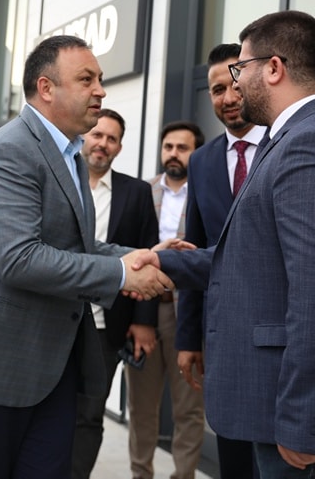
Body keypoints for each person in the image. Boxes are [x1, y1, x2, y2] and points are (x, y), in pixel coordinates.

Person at [140, 10, 315, 477]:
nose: (235, 84)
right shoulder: (295, 138)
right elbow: (257, 261)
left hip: (313, 427)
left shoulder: (313, 143)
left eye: (240, 69)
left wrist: (303, 420)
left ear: (273, 68)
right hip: (283, 403)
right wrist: (165, 264)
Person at [0, 34, 172, 479]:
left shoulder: (70, 154)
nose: (101, 90)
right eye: (87, 79)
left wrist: (146, 257)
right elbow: (19, 259)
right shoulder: (9, 149)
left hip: (50, 367)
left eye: (100, 79)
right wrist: (119, 275)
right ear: (46, 87)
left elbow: (77, 245)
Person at [177, 43, 267, 477]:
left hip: (278, 335)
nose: (228, 98)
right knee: (234, 458)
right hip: (223, 337)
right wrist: (188, 338)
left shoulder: (286, 144)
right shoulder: (201, 161)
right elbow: (195, 250)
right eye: (216, 90)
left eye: (234, 85)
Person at [72, 109, 159, 479]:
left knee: (90, 413)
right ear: (84, 138)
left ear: (120, 147)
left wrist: (144, 322)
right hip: (57, 316)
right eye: (97, 135)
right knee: (49, 407)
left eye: (111, 139)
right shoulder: (61, 179)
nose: (102, 144)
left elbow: (147, 254)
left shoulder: (136, 192)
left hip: (106, 324)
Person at [127, 121, 205, 479]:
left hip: (187, 312)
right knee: (142, 405)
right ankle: (140, 473)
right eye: (168, 147)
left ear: (196, 153)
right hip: (144, 310)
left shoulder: (205, 191)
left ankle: (183, 475)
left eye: (182, 148)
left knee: (189, 406)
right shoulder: (142, 192)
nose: (173, 154)